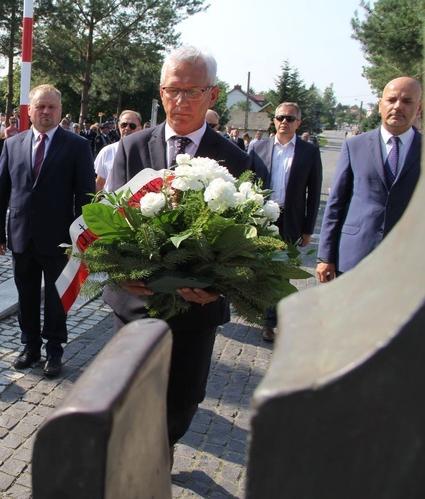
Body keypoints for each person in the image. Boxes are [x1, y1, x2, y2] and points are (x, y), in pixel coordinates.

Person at [105, 46, 250, 463]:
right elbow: (109, 224)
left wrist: (219, 289)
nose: (181, 102)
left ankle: (164, 444)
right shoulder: (132, 148)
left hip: (194, 312)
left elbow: (245, 244)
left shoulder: (236, 160)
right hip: (135, 304)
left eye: (192, 91)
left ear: (213, 95)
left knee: (183, 400)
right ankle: (137, 462)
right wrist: (119, 275)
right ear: (161, 92)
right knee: (130, 394)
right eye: (172, 91)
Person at [0, 84, 95, 378]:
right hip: (22, 237)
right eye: (40, 107)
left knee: (57, 298)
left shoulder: (77, 146)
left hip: (60, 239)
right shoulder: (12, 144)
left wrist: (81, 238)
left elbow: (85, 197)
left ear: (60, 111)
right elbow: (1, 194)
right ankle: (30, 346)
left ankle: (55, 351)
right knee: (25, 295)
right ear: (30, 110)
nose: (46, 112)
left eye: (52, 107)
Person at [317, 77, 422, 283]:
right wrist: (325, 256)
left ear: (419, 108)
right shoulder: (355, 146)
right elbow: (336, 203)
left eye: (407, 101)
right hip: (355, 257)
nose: (398, 106)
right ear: (381, 105)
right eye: (391, 100)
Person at [250, 102, 323, 342]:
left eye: (290, 119)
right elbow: (246, 184)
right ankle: (260, 313)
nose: (284, 122)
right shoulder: (257, 148)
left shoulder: (309, 152)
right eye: (280, 117)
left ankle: (271, 322)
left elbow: (314, 192)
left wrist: (308, 228)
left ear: (298, 123)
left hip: (291, 219)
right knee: (261, 269)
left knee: (282, 272)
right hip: (262, 218)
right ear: (274, 120)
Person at [94, 110, 142, 192]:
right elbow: (99, 184)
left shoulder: (144, 153)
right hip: (109, 202)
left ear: (139, 129)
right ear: (119, 126)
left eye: (132, 126)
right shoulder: (107, 151)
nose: (127, 128)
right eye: (124, 125)